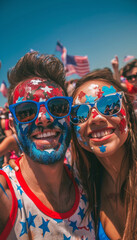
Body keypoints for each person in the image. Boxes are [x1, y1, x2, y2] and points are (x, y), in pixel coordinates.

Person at [0, 51, 95, 239]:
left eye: (57, 107)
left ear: (69, 116)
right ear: (13, 126)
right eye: (26, 111)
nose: (45, 118)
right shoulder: (6, 196)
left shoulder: (89, 182)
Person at [70, 68, 137, 239]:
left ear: (128, 112)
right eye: (81, 113)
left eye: (110, 105)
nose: (95, 118)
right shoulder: (86, 190)